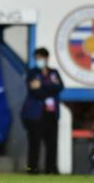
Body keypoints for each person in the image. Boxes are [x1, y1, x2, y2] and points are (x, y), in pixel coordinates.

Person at [21, 47, 64, 175]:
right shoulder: (32, 73)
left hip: (51, 113)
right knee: (35, 143)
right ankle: (32, 169)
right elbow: (35, 91)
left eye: (41, 58)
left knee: (52, 143)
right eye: (37, 58)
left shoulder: (54, 72)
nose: (39, 61)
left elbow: (60, 86)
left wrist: (43, 85)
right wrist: (51, 86)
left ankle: (51, 169)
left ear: (46, 58)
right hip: (35, 114)